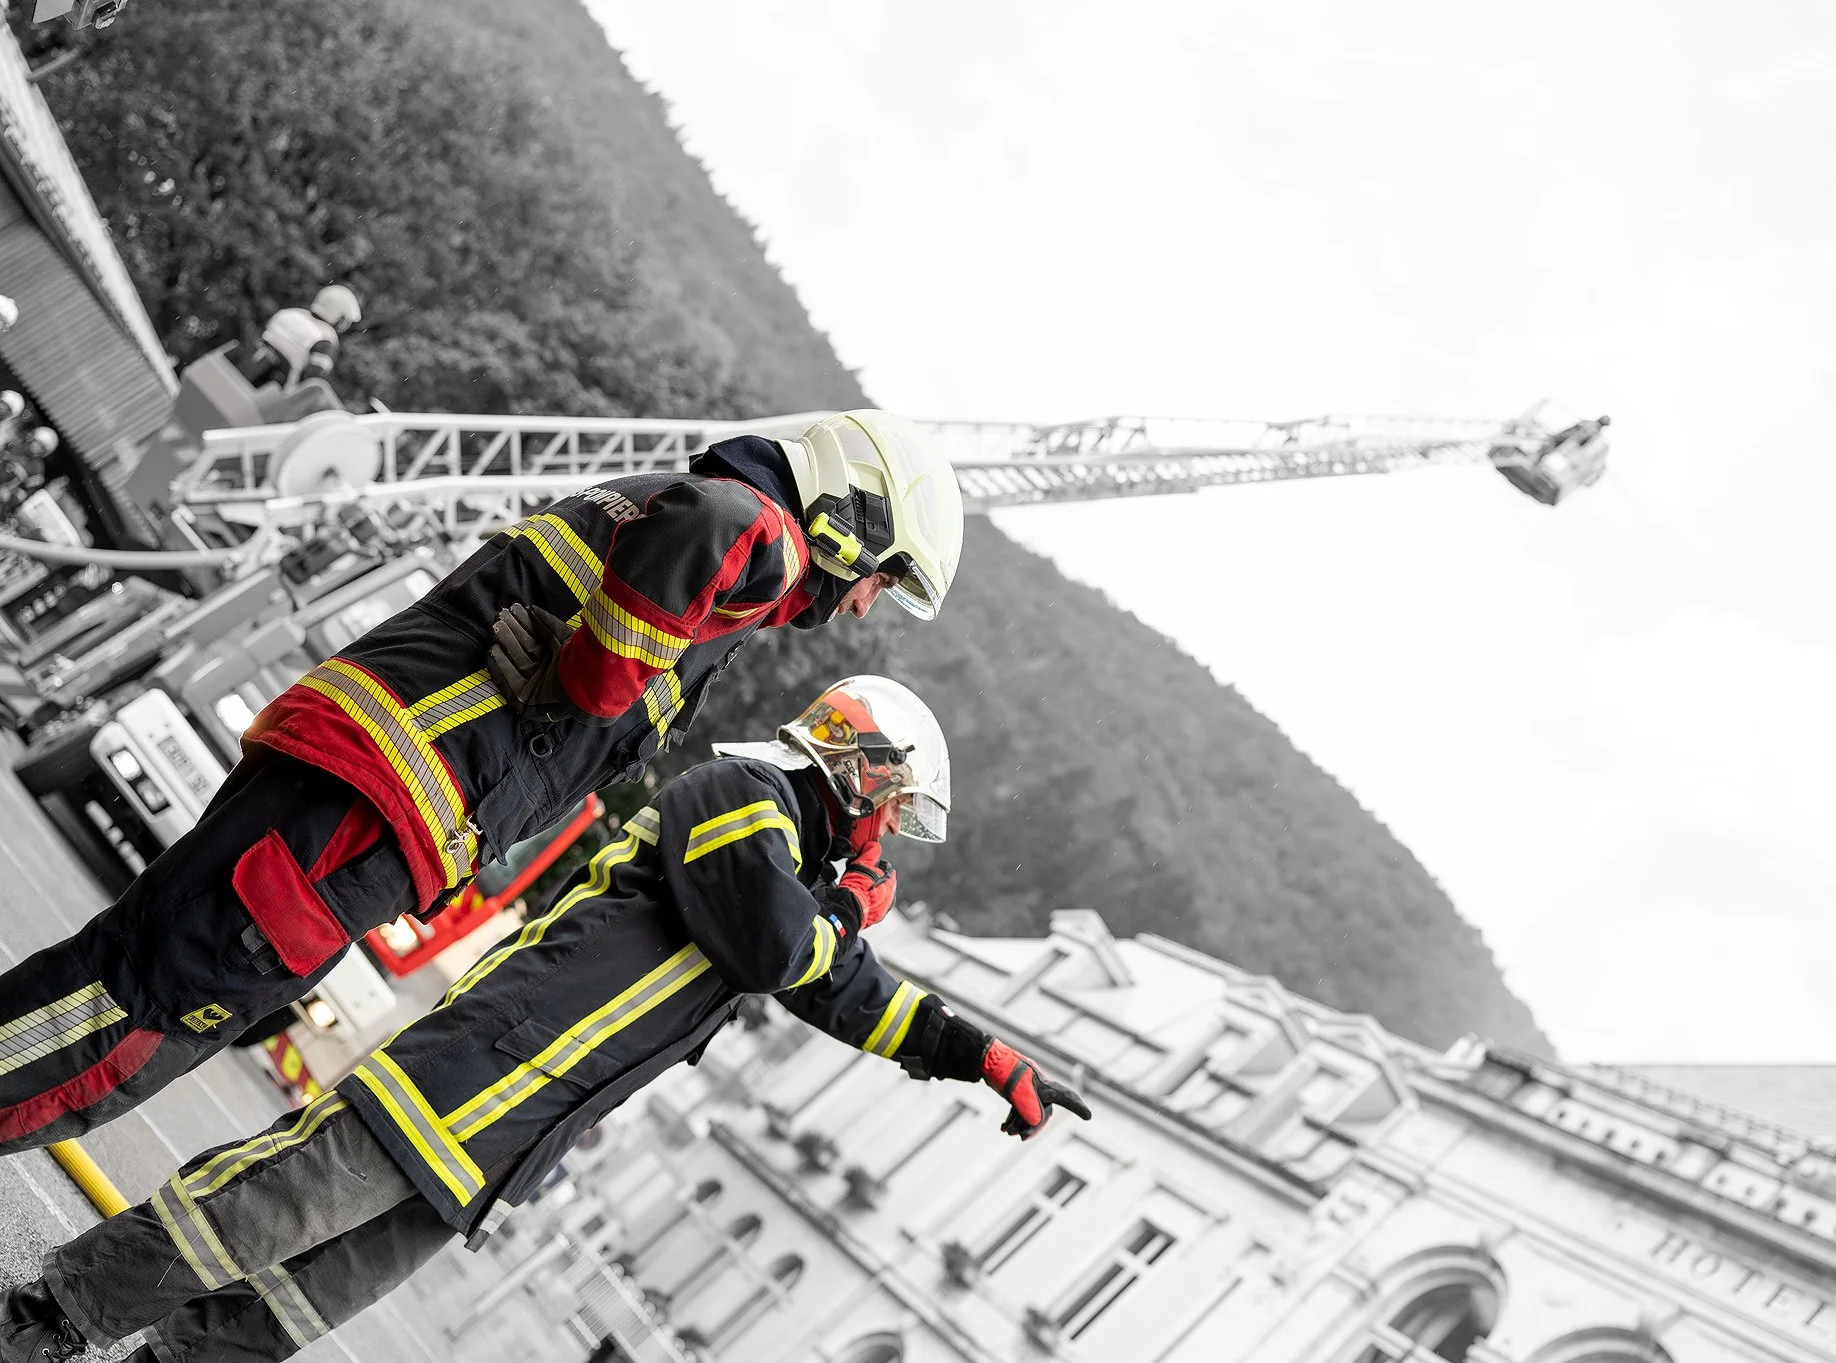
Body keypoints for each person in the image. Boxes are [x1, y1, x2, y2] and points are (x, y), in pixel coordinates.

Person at [0, 676, 1087, 1363]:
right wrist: (847, 906)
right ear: (858, 767)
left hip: (524, 1124)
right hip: (478, 1066)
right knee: (260, 1211)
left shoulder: (797, 877)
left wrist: (981, 1055)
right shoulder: (737, 799)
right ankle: (53, 1315)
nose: (884, 837)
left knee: (310, 1293)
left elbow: (843, 986)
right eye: (889, 809)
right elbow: (783, 950)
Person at [0, 410, 965, 1153]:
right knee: (134, 1012)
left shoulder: (658, 503)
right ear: (856, 514)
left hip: (360, 772)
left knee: (125, 979)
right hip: (379, 805)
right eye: (883, 577)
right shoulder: (756, 529)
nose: (864, 604)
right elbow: (692, 560)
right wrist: (595, 678)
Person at [238, 285, 361, 390]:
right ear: (339, 316)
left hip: (241, 372)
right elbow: (313, 381)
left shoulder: (288, 313)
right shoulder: (326, 338)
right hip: (274, 394)